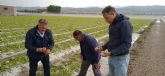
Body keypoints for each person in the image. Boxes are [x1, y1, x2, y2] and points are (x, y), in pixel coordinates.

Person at [95, 6, 133, 76]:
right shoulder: (112, 24)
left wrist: (111, 53)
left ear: (113, 14)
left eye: (106, 18)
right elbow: (112, 40)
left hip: (121, 58)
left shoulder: (125, 23)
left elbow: (127, 44)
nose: (105, 20)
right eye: (104, 18)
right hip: (112, 56)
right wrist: (102, 48)